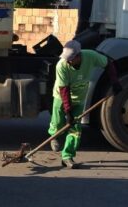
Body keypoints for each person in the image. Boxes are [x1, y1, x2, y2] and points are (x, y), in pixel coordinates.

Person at [49, 40, 122, 168]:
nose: (68, 61)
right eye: (66, 59)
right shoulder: (61, 65)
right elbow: (64, 90)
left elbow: (108, 64)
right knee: (58, 123)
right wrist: (68, 112)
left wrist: (115, 82)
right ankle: (54, 136)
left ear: (78, 56)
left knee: (75, 129)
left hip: (79, 98)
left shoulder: (90, 56)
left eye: (71, 59)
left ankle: (67, 156)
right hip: (61, 97)